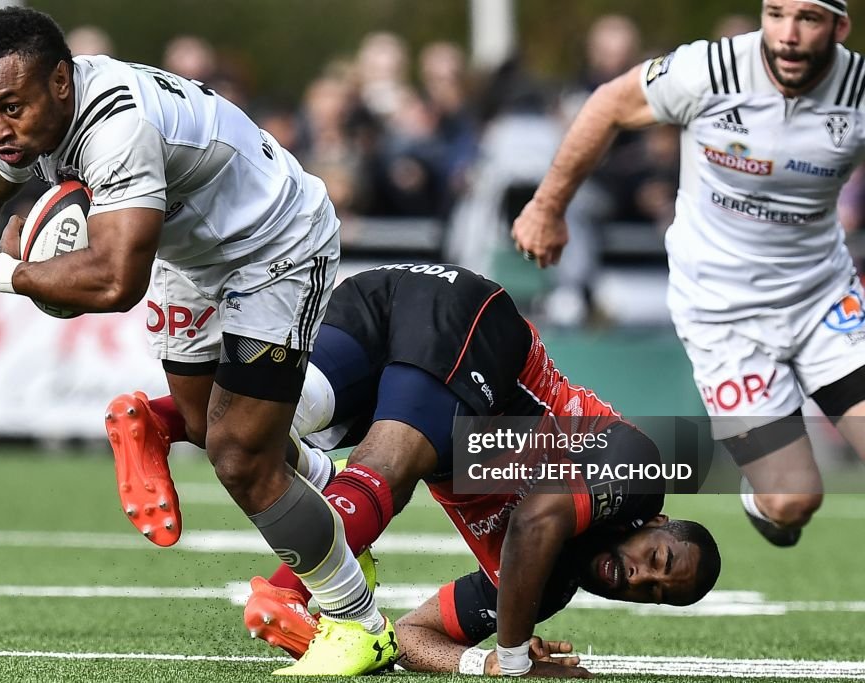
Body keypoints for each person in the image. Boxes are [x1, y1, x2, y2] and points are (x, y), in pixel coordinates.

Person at [0, 6, 394, 676]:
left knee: (240, 456)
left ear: (61, 81)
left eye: (10, 107)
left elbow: (118, 280)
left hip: (275, 242)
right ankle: (339, 515)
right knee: (210, 426)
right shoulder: (26, 118)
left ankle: (360, 623)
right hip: (193, 248)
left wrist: (7, 274)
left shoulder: (116, 128)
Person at [239, 263, 720, 678]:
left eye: (653, 593)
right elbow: (536, 518)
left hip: (402, 339)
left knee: (243, 432)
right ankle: (284, 590)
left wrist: (481, 662)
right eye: (658, 561)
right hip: (470, 329)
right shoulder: (639, 472)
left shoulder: (542, 586)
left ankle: (175, 432)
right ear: (653, 523)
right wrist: (514, 659)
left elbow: (407, 636)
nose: (637, 579)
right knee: (387, 471)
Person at [513, 0, 865, 548]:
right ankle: (765, 498)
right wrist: (547, 207)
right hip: (723, 316)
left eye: (809, 19)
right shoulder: (711, 69)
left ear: (839, 28)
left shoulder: (858, 89)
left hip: (823, 300)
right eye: (776, 14)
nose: (789, 34)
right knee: (793, 501)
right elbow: (608, 103)